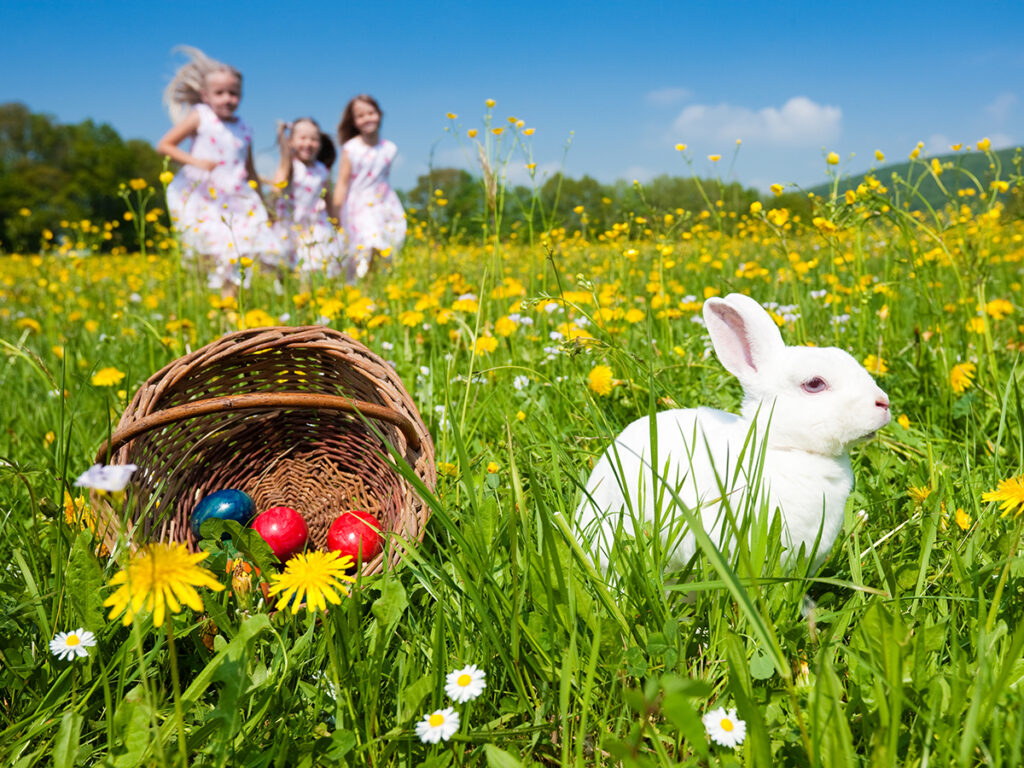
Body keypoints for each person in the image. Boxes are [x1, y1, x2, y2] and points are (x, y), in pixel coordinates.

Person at [156, 46, 279, 292]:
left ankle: (231, 300)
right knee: (212, 251)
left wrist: (265, 203)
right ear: (205, 95)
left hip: (237, 196)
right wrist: (196, 162)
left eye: (234, 93)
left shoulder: (245, 129)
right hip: (205, 195)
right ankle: (214, 300)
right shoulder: (200, 116)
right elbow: (164, 145)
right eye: (220, 93)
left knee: (241, 248)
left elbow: (250, 169)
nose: (227, 99)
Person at [332, 94, 406, 281]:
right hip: (359, 205)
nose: (367, 118)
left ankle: (372, 287)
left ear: (379, 114)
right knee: (367, 246)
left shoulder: (390, 148)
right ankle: (359, 286)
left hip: (385, 203)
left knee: (385, 249)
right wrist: (336, 212)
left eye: (370, 113)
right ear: (354, 121)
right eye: (360, 115)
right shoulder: (351, 148)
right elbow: (342, 181)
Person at [271, 118, 346, 279]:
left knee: (313, 267)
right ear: (291, 141)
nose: (308, 143)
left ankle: (307, 299)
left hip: (315, 226)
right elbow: (275, 189)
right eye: (303, 138)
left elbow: (328, 199)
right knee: (286, 271)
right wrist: (283, 146)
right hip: (289, 227)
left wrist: (338, 225)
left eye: (314, 139)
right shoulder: (289, 166)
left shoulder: (322, 170)